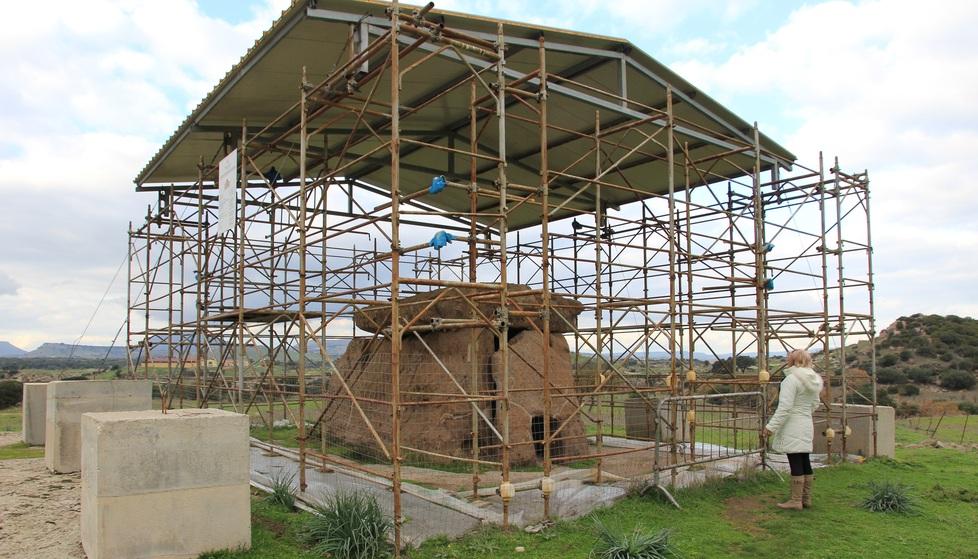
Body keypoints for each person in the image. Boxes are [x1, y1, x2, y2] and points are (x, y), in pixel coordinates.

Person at [764, 349, 824, 510]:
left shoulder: (791, 380)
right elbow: (815, 403)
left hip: (793, 424)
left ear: (793, 361)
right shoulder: (813, 380)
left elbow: (785, 407)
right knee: (804, 459)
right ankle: (806, 498)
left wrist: (770, 427)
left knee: (795, 460)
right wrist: (804, 413)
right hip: (806, 422)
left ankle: (796, 500)